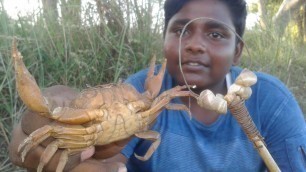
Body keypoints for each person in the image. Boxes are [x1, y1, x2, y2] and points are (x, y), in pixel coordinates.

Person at [9, 0, 306, 171]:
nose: (194, 46)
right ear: (163, 40)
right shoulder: (137, 92)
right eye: (180, 30)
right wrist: (45, 131)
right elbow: (106, 162)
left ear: (238, 50)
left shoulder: (271, 101)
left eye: (215, 34)